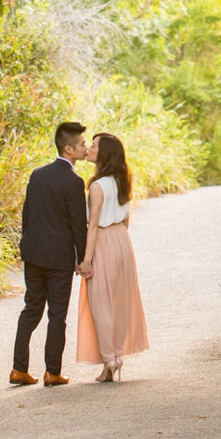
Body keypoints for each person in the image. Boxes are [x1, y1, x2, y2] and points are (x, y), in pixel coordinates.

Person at [10, 121, 90, 387]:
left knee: (31, 309)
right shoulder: (73, 181)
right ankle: (52, 372)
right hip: (58, 259)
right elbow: (79, 225)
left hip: (33, 254)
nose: (85, 147)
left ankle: (18, 369)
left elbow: (27, 214)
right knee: (57, 314)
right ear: (68, 149)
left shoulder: (38, 174)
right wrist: (83, 258)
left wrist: (27, 246)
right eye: (82, 144)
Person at [76, 131, 149, 382]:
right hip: (122, 239)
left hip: (104, 238)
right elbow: (126, 217)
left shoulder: (97, 186)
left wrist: (87, 259)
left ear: (103, 154)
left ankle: (110, 359)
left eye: (94, 146)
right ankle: (115, 356)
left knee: (100, 303)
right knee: (119, 301)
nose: (89, 149)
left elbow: (93, 225)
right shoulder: (122, 180)